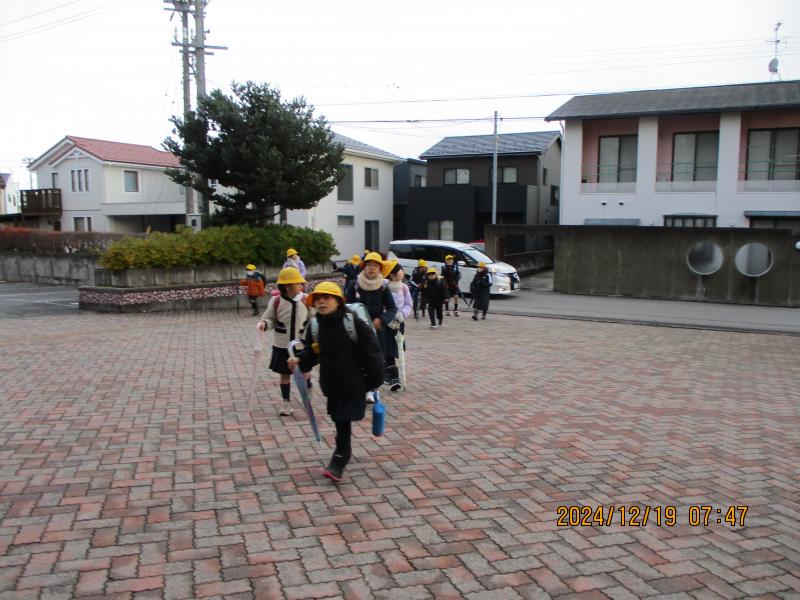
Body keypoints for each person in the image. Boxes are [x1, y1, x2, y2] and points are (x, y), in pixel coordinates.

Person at [288, 281, 384, 483]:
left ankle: (340, 457)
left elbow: (372, 352)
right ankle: (342, 450)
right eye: (318, 299)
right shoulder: (315, 326)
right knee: (338, 418)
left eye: (326, 298)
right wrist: (299, 362)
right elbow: (311, 353)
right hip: (331, 384)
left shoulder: (353, 323)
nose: (321, 302)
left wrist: (374, 380)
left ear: (338, 301)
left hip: (354, 382)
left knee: (342, 418)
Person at [256, 267, 311, 415]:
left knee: (305, 373)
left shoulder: (307, 299)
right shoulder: (276, 301)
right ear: (287, 286)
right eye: (297, 283)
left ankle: (307, 395)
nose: (301, 285)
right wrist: (264, 324)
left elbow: (313, 320)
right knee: (284, 375)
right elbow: (270, 318)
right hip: (282, 345)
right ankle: (286, 403)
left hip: (302, 345)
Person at [346, 252, 396, 402]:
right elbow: (347, 306)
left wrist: (381, 320)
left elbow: (392, 308)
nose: (372, 268)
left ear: (380, 268)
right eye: (369, 265)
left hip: (377, 331)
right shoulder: (355, 284)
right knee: (359, 359)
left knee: (375, 361)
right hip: (357, 330)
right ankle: (364, 389)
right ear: (364, 267)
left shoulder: (383, 287)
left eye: (375, 265)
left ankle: (373, 389)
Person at [383, 259, 413, 391]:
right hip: (386, 323)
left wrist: (402, 314)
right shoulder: (383, 286)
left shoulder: (404, 287)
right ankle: (394, 378)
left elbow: (409, 304)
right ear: (392, 274)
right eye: (401, 270)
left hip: (399, 323)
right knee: (387, 349)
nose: (403, 272)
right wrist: (387, 317)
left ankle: (388, 374)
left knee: (397, 349)